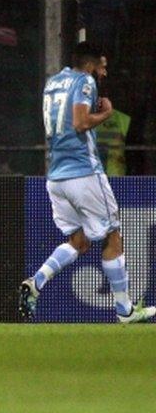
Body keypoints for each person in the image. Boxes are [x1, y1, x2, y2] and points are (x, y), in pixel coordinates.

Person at [19, 42, 154, 323]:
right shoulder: (85, 81)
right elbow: (80, 123)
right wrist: (106, 114)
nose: (103, 73)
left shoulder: (53, 82)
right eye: (102, 66)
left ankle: (36, 282)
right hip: (83, 172)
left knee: (78, 242)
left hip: (55, 176)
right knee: (113, 235)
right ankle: (124, 310)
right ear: (91, 65)